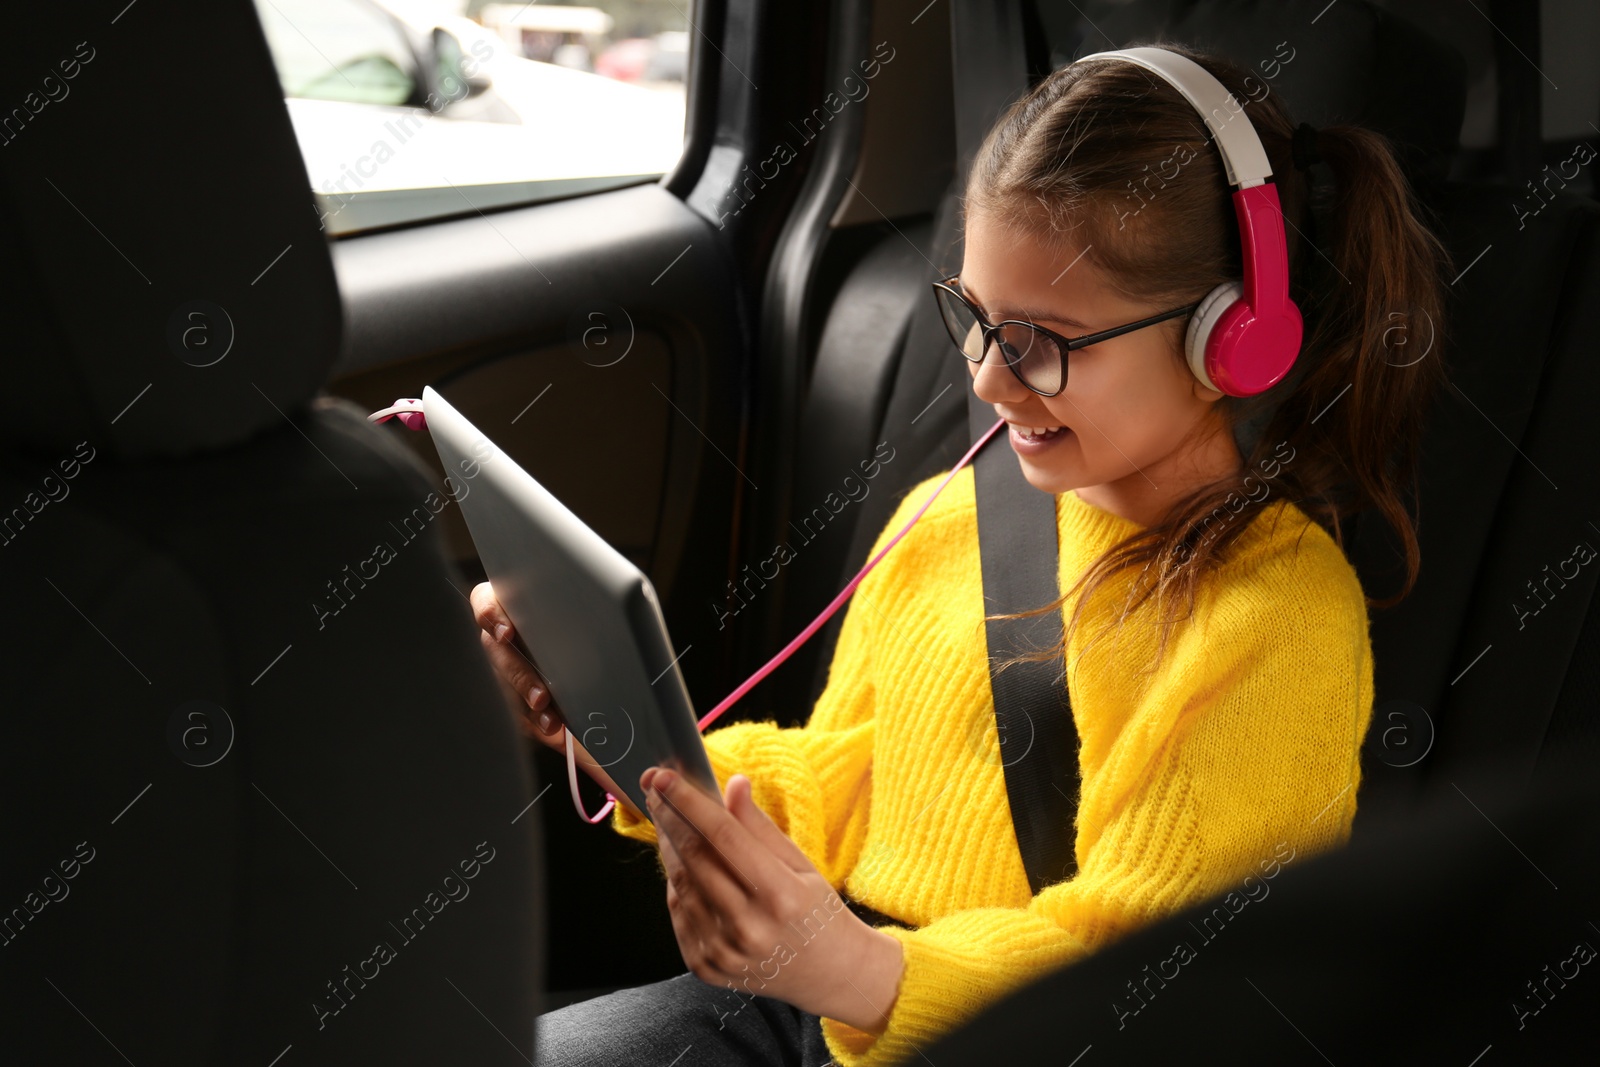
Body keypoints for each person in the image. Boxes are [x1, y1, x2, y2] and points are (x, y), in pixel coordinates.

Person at [471, 42, 1448, 1067]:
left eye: (1042, 341)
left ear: (1232, 337)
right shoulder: (948, 519)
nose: (985, 379)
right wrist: (620, 730)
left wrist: (857, 971)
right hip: (823, 1002)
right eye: (973, 319)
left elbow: (1154, 982)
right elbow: (848, 784)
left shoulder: (1271, 617)